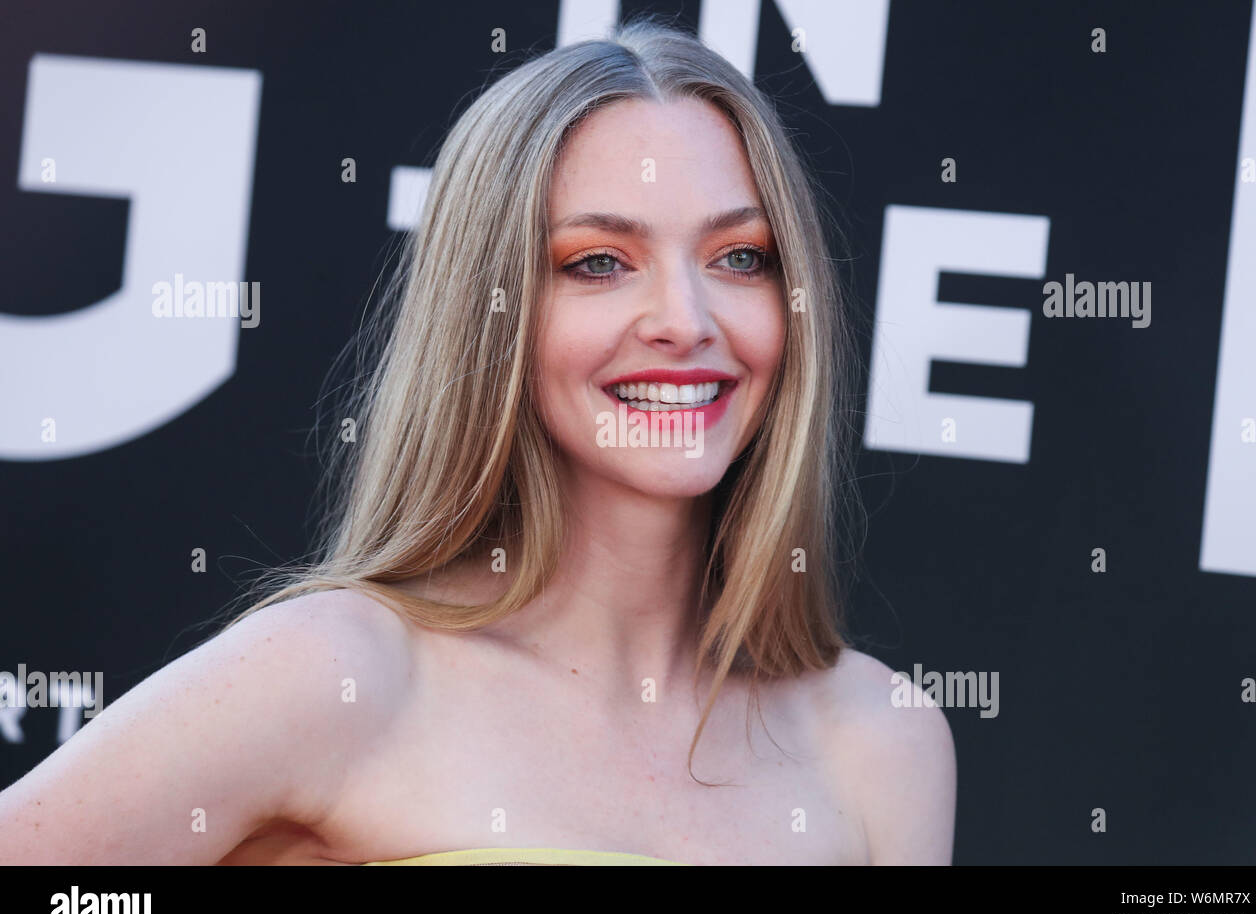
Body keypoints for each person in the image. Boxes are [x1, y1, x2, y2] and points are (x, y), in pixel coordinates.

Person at [0, 16, 954, 865]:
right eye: (599, 263)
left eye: (739, 257)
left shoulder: (878, 739)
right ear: (491, 313)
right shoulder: (339, 673)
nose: (684, 318)